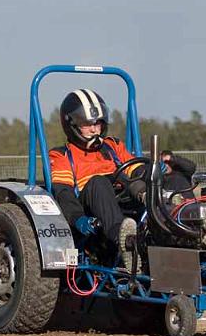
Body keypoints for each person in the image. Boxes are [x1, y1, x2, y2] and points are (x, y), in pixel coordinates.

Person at [49, 89, 144, 272]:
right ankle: (124, 240)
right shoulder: (62, 155)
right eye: (87, 124)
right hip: (91, 206)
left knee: (168, 177)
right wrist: (77, 218)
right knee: (99, 182)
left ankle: (182, 228)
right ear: (73, 125)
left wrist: (154, 170)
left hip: (123, 199)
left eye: (98, 123)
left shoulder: (113, 146)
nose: (94, 129)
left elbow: (135, 168)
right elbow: (64, 192)